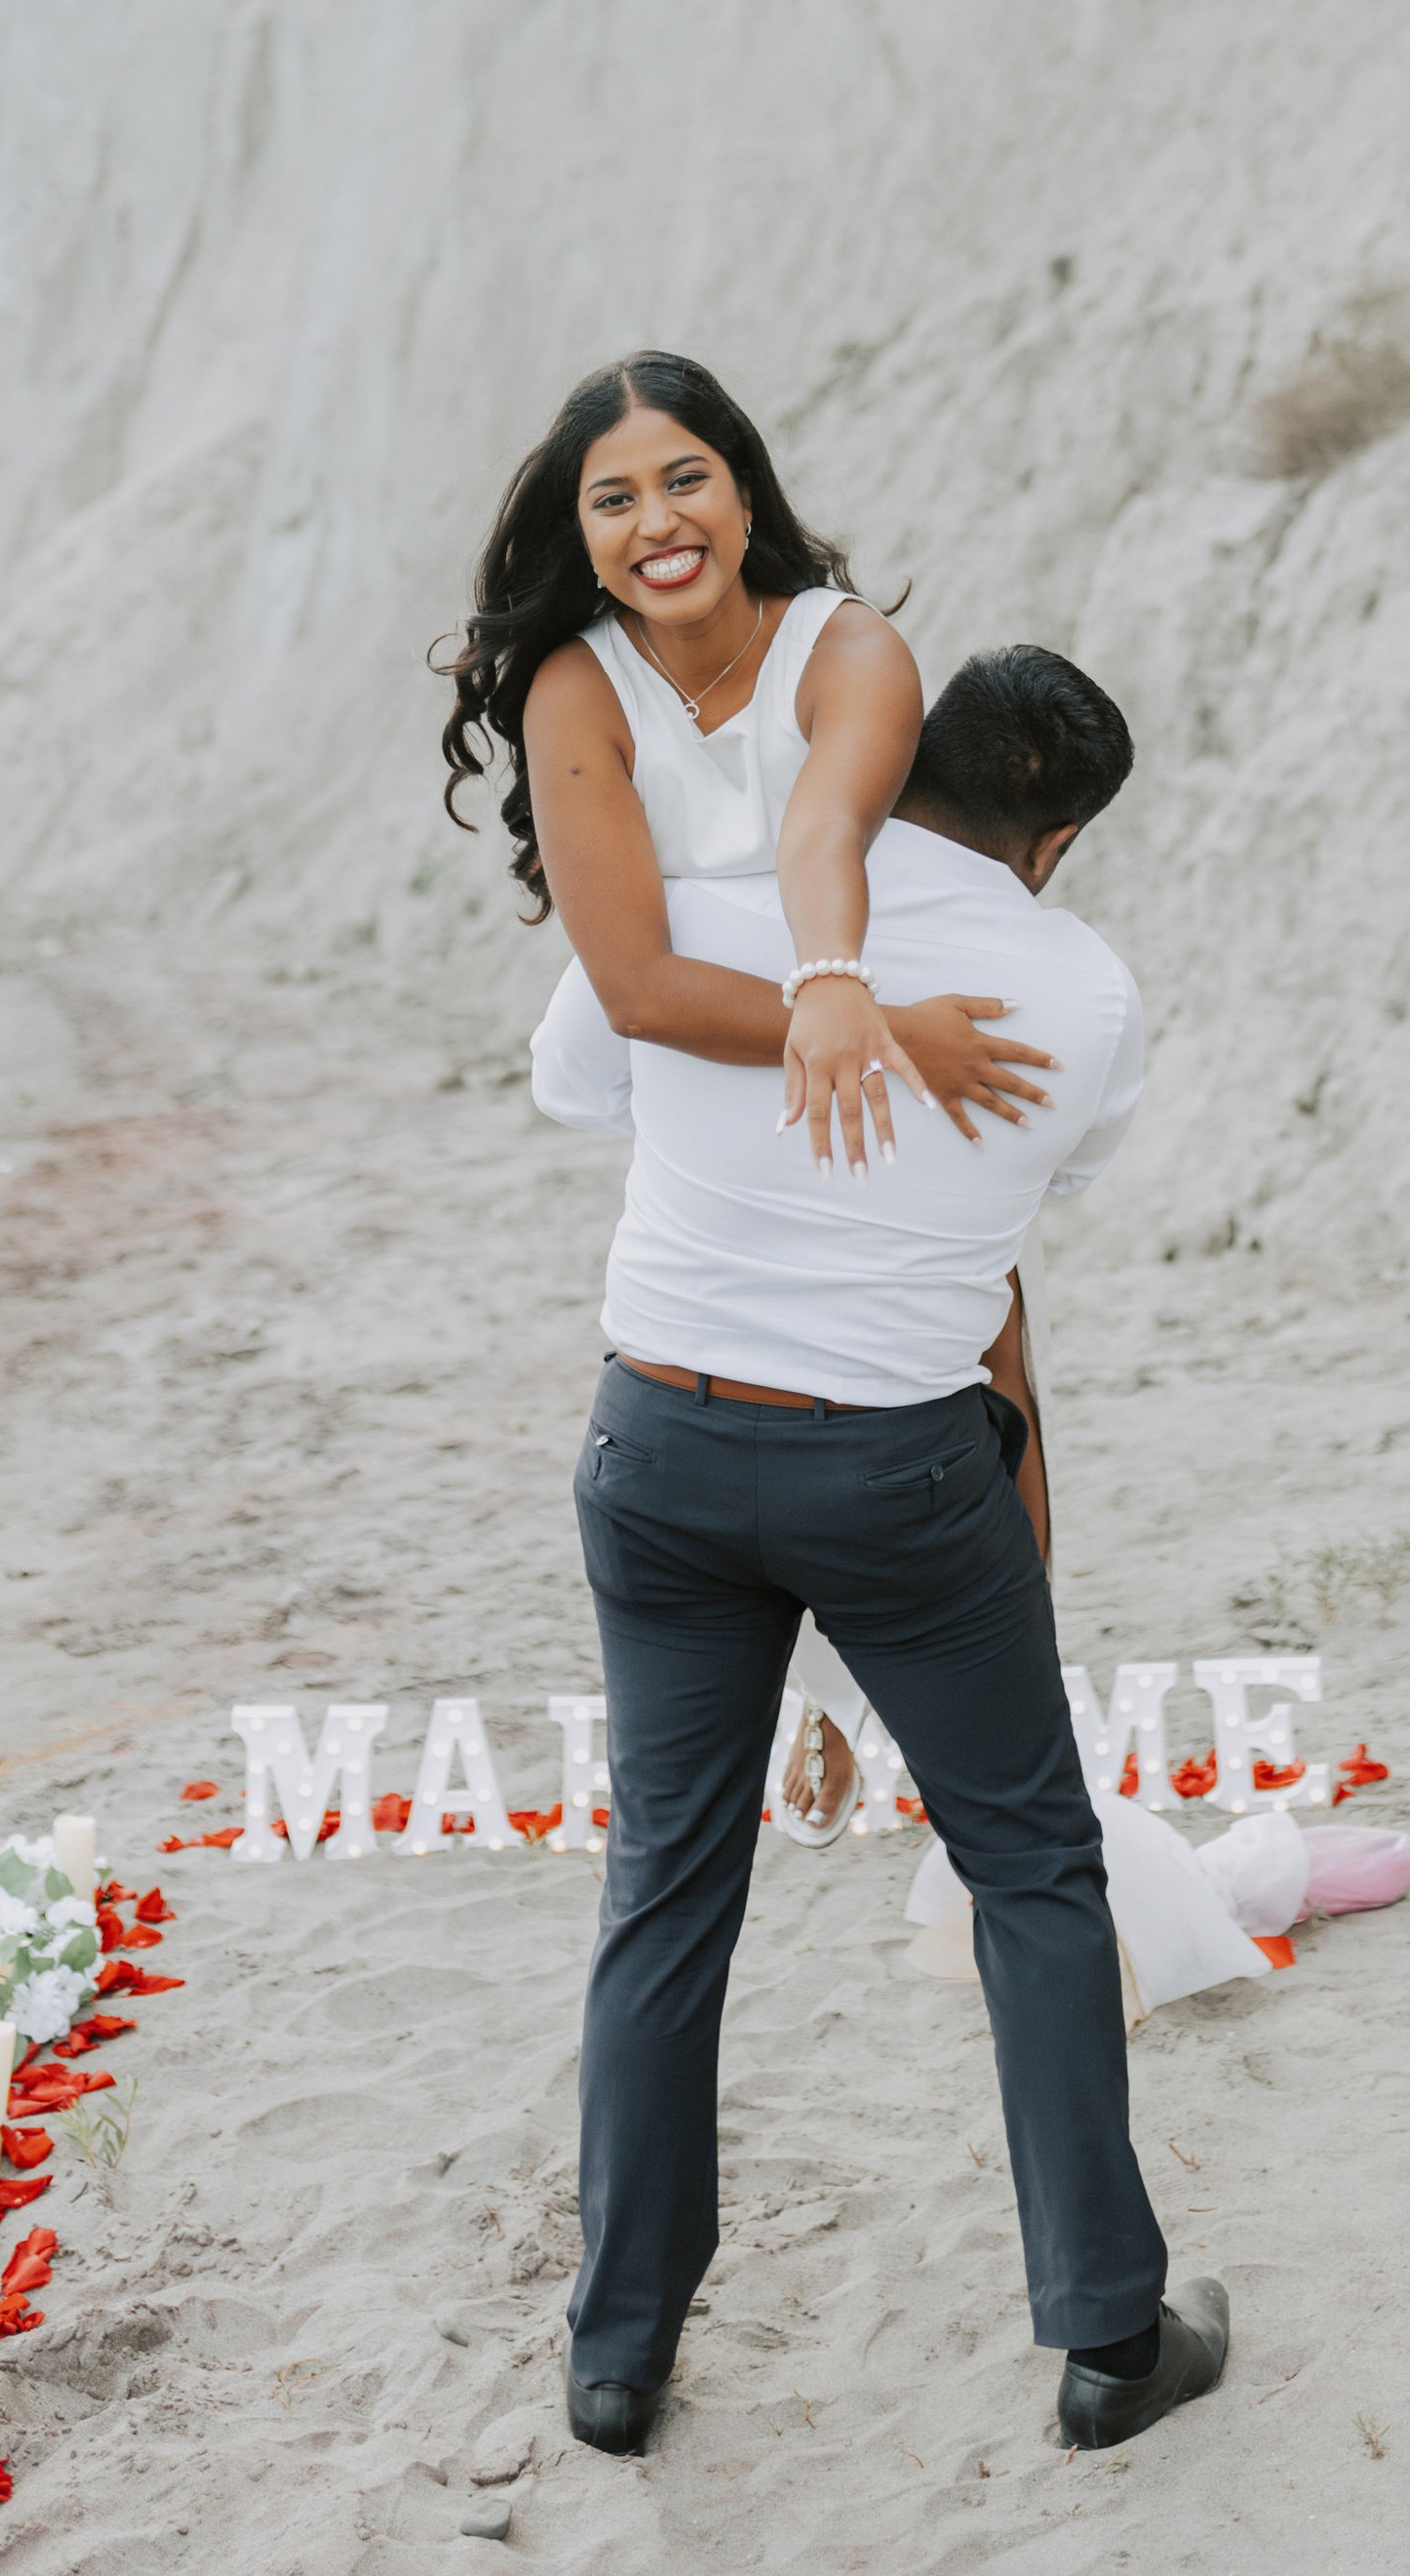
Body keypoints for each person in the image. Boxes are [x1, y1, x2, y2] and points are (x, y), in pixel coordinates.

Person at [524, 644, 1231, 2460]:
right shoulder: (1082, 991)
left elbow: (578, 1083)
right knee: (1030, 1872)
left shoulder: (710, 894)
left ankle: (620, 2355)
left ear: (894, 755)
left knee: (666, 1885)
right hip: (899, 1474)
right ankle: (1105, 2337)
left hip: (661, 1442)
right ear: (1057, 838)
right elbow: (1002, 1237)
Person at [440, 350, 1058, 1836]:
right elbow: (642, 987)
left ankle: (947, 1680)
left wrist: (845, 977)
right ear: (578, 531)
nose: (657, 519)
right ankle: (830, 1690)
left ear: (742, 485)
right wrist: (869, 1016)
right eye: (614, 497)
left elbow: (820, 833)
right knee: (773, 1355)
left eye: (684, 477)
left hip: (831, 982)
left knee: (984, 1329)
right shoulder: (576, 686)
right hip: (683, 1035)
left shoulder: (848, 652)